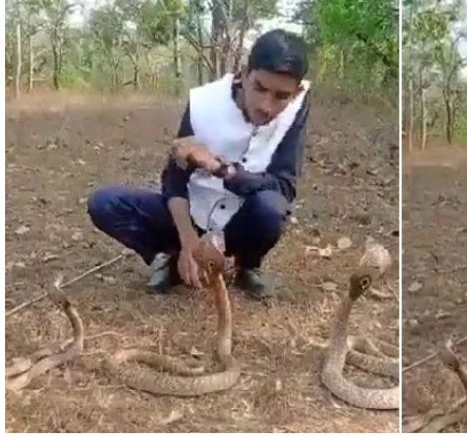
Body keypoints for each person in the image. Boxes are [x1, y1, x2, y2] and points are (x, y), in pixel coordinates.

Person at [87, 29, 311, 299]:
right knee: (105, 203)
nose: (266, 105)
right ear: (244, 74)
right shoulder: (204, 103)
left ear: (295, 93)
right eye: (259, 88)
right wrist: (188, 241)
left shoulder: (297, 108)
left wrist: (221, 169)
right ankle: (172, 257)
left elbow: (284, 185)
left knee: (271, 207)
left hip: (242, 220)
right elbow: (174, 180)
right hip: (195, 212)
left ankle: (248, 266)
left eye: (281, 96)